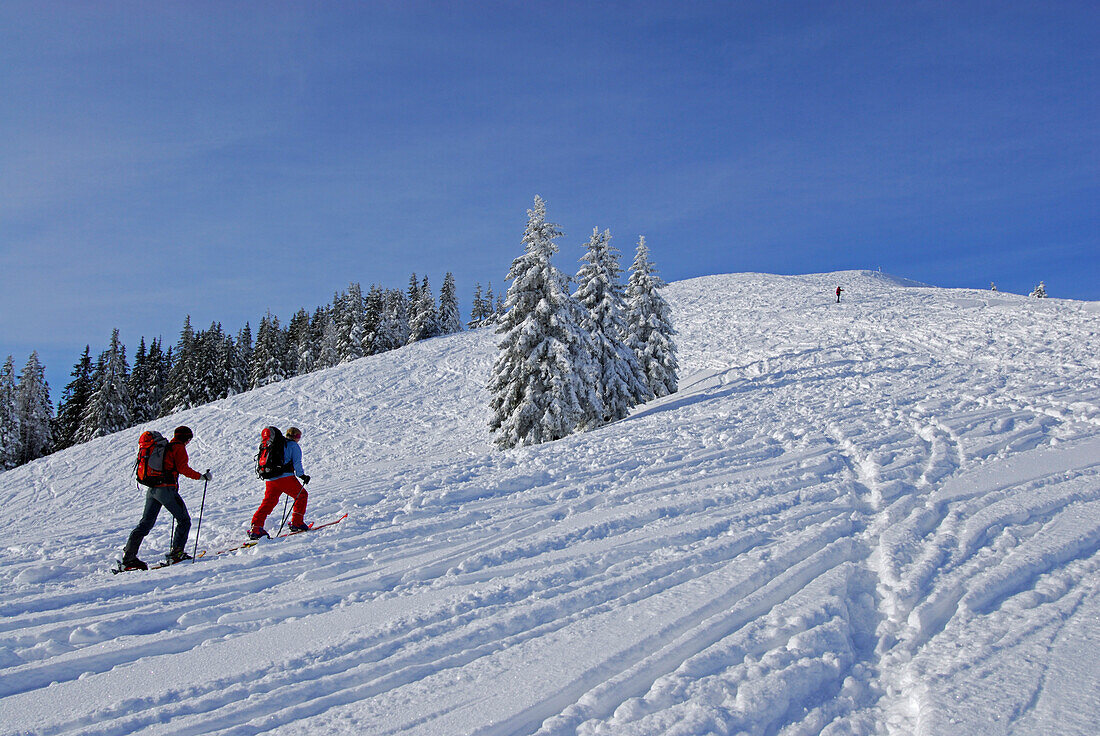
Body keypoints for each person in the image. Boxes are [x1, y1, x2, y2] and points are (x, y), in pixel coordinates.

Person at [122, 425, 212, 569]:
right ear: (186, 438)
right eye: (189, 438)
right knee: (184, 520)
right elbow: (183, 469)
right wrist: (202, 477)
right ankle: (177, 554)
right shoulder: (179, 448)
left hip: (152, 489)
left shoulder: (165, 447)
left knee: (145, 524)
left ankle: (128, 558)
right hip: (166, 490)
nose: (189, 441)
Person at [249, 426, 311, 539]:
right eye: (298, 436)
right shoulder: (293, 446)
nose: (299, 439)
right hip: (285, 478)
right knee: (302, 495)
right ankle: (297, 522)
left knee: (268, 502)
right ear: (295, 436)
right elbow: (297, 463)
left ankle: (256, 528)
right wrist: (302, 476)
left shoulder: (276, 444)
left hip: (270, 478)